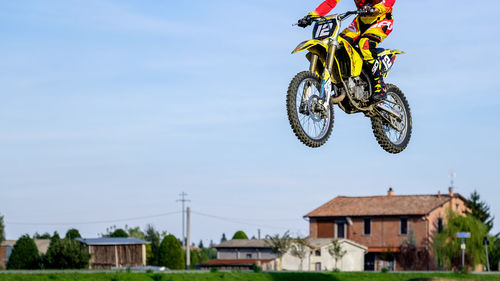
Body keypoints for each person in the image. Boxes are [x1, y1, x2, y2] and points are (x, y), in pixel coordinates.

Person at [300, 0, 395, 101]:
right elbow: (330, 2)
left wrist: (377, 8)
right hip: (361, 21)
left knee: (365, 44)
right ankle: (339, 80)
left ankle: (380, 85)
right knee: (339, 43)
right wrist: (312, 16)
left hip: (381, 19)